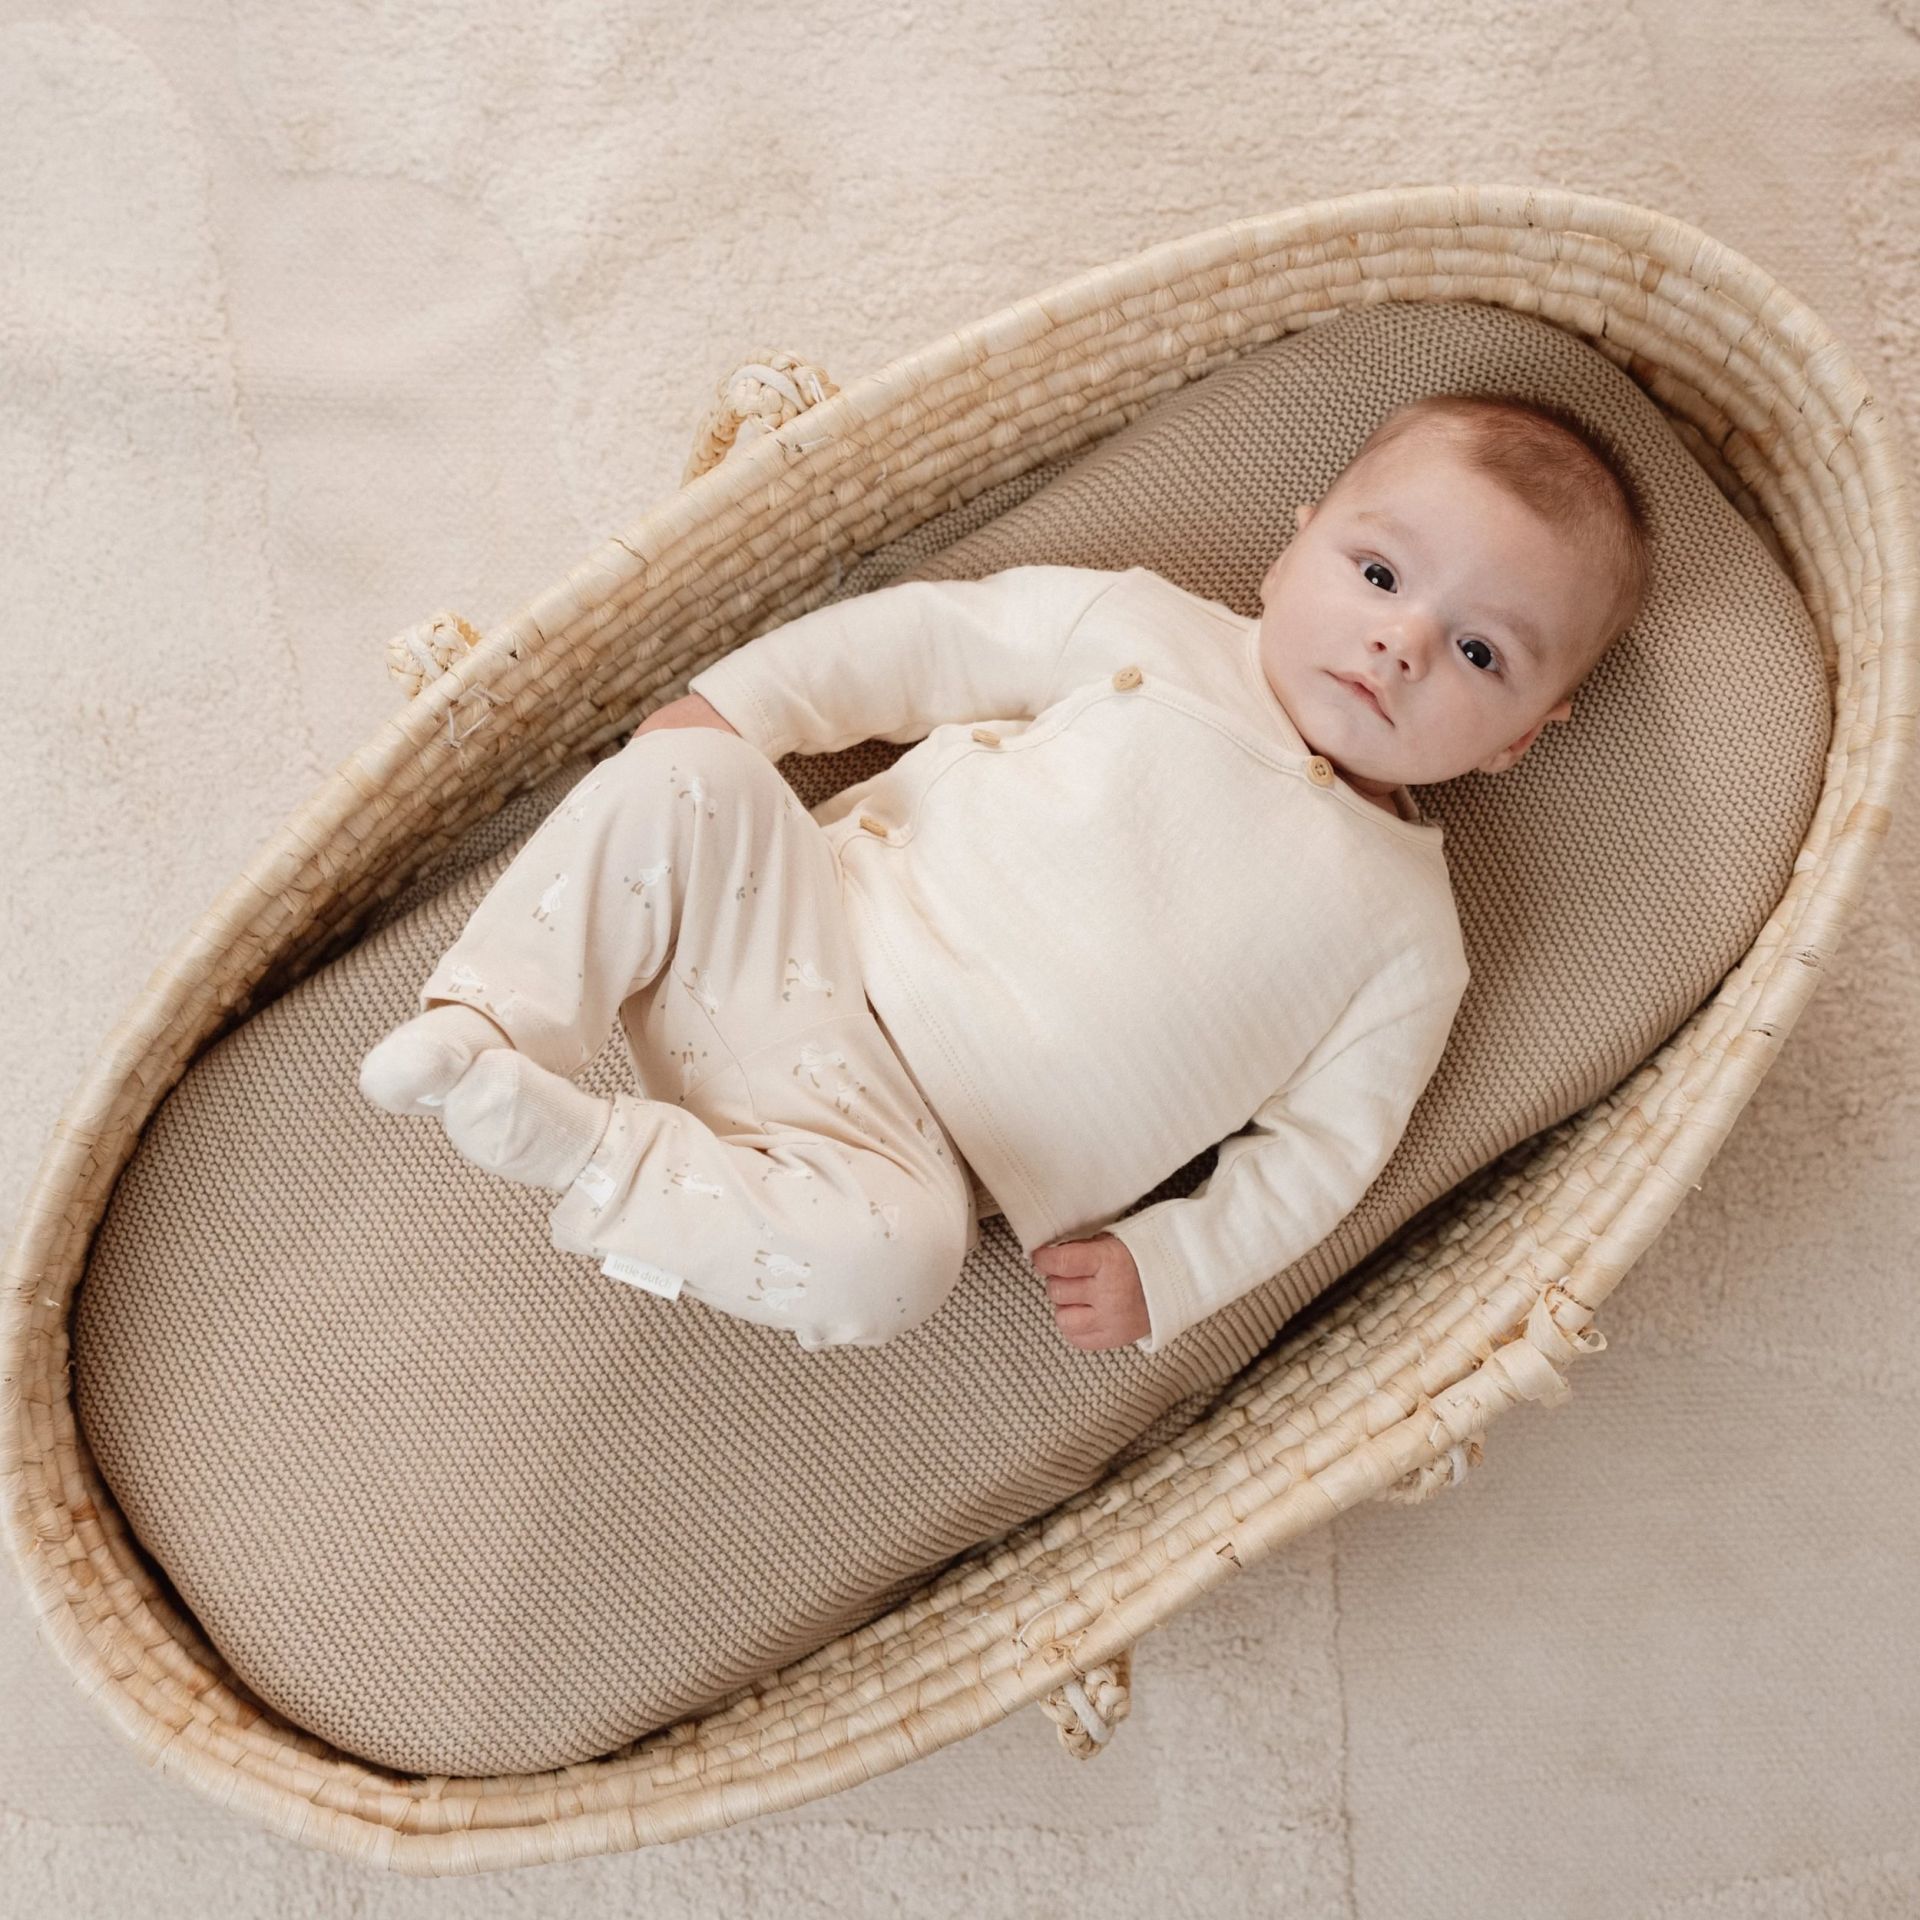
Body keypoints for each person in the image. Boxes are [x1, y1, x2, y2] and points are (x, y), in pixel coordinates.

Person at [359, 391, 1650, 1356]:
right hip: (788, 936)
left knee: (893, 1275)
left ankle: (591, 1157)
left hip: (904, 1159)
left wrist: (1172, 1264)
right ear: (1292, 550)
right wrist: (745, 705)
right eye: (1376, 574)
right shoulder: (1146, 631)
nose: (1402, 642)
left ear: (1521, 741)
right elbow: (925, 641)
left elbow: (1323, 1156)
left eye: (1481, 654)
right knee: (692, 779)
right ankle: (491, 1020)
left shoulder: (1409, 945)